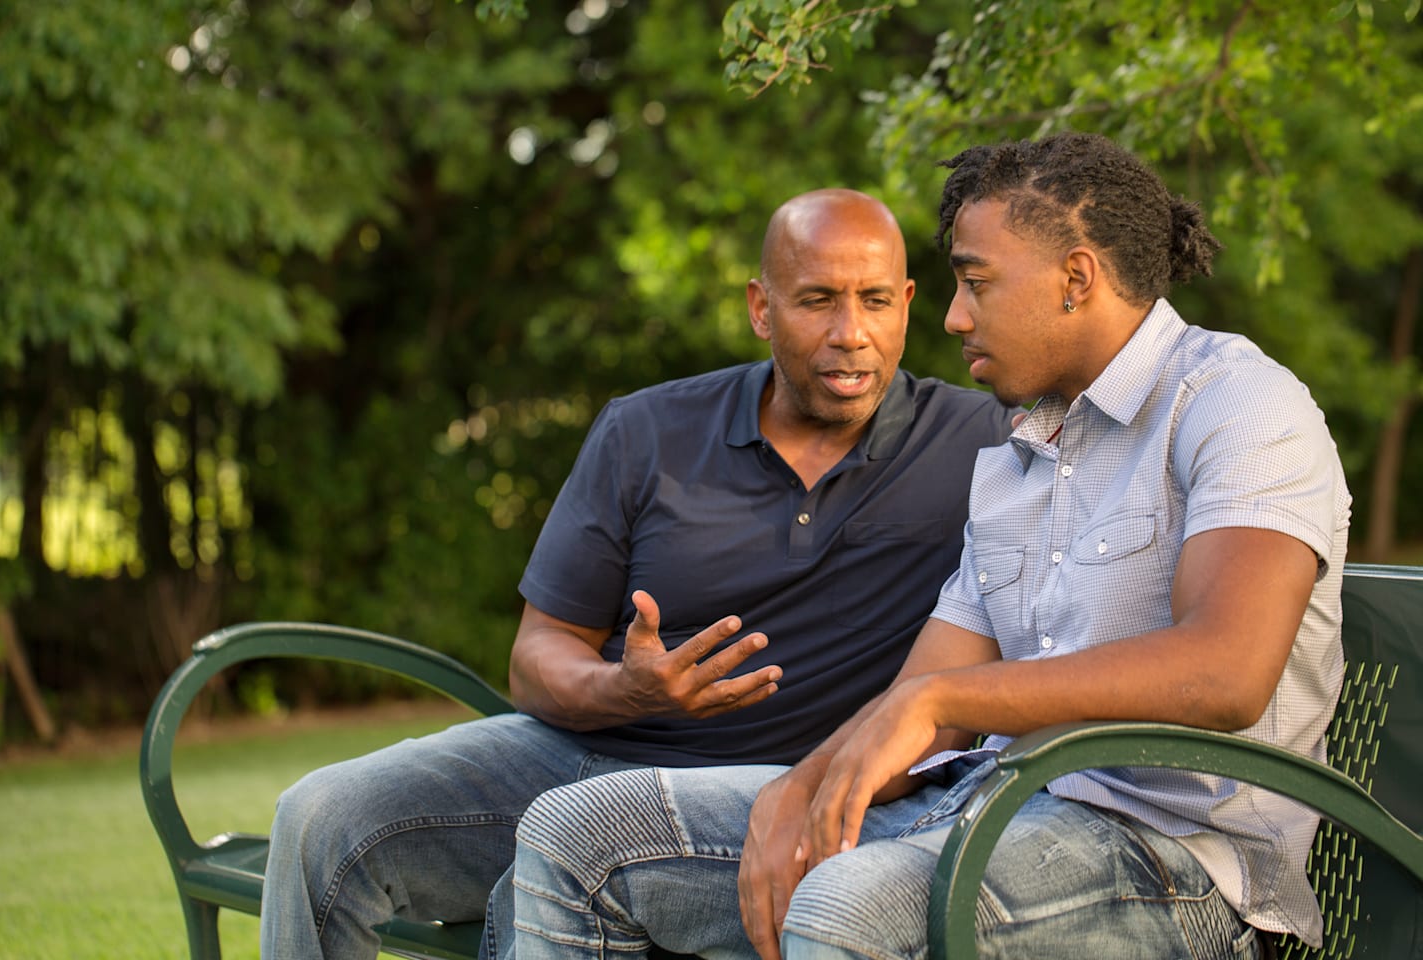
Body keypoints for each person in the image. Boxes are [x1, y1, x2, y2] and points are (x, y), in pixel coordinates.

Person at [508, 132, 1350, 960]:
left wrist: (946, 705)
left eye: (976, 283)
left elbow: (1227, 671)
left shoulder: (1239, 407)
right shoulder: (1024, 453)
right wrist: (804, 785)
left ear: (1077, 279)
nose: (951, 317)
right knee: (585, 832)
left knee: (846, 906)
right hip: (985, 806)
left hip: (1176, 866)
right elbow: (921, 693)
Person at [258, 188, 1015, 960]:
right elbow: (538, 654)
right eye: (817, 300)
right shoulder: (647, 430)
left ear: (909, 304)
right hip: (589, 748)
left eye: (875, 301)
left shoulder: (981, 441)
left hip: (776, 787)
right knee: (319, 817)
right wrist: (622, 688)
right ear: (762, 307)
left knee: (556, 860)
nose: (851, 333)